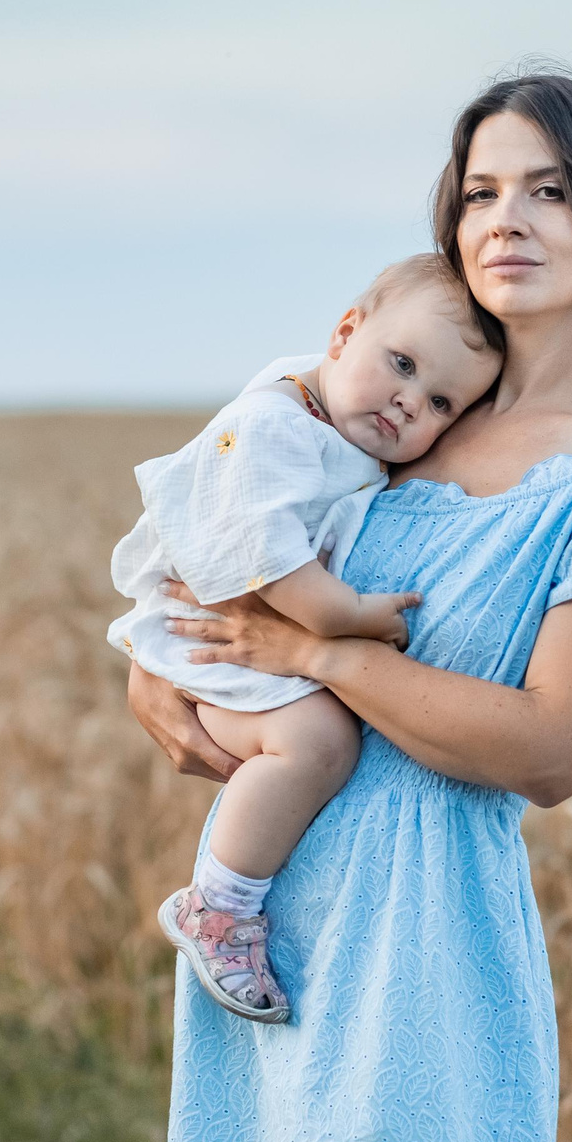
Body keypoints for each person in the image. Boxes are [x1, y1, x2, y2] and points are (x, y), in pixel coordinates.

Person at [128, 71, 572, 1142]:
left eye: (550, 190)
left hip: (421, 933)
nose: (506, 217)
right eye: (481, 191)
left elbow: (553, 747)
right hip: (272, 909)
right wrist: (158, 667)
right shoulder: (398, 420)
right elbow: (225, 549)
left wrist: (311, 650)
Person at [108, 254, 503, 1021]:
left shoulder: (334, 417)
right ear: (344, 332)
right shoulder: (273, 428)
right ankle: (219, 906)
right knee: (317, 740)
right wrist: (349, 617)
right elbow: (270, 565)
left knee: (321, 734)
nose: (406, 401)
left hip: (234, 632)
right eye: (401, 363)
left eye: (440, 401)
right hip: (204, 636)